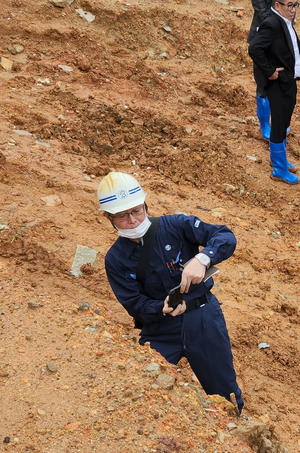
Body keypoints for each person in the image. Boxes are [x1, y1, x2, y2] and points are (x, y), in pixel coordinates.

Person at [99, 172, 244, 414]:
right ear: (108, 218)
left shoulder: (175, 226)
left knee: (224, 393)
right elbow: (134, 304)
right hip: (161, 329)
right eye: (122, 216)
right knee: (144, 389)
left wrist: (203, 257)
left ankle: (234, 436)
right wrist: (161, 308)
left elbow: (225, 236)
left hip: (203, 318)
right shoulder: (115, 259)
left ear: (145, 205)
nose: (133, 220)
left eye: (136, 211)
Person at [248, 0, 300, 185]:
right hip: (278, 84)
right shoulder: (271, 23)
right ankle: (279, 169)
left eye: (295, 5)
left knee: (284, 123)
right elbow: (255, 49)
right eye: (289, 6)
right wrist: (270, 71)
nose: (293, 10)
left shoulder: (284, 21)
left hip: (289, 82)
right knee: (279, 125)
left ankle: (282, 160)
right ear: (277, 5)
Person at [248, 0, 298, 141]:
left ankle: (280, 120)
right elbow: (260, 9)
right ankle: (264, 124)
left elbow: (292, 8)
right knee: (263, 83)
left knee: (283, 80)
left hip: (284, 40)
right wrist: (277, 27)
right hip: (263, 33)